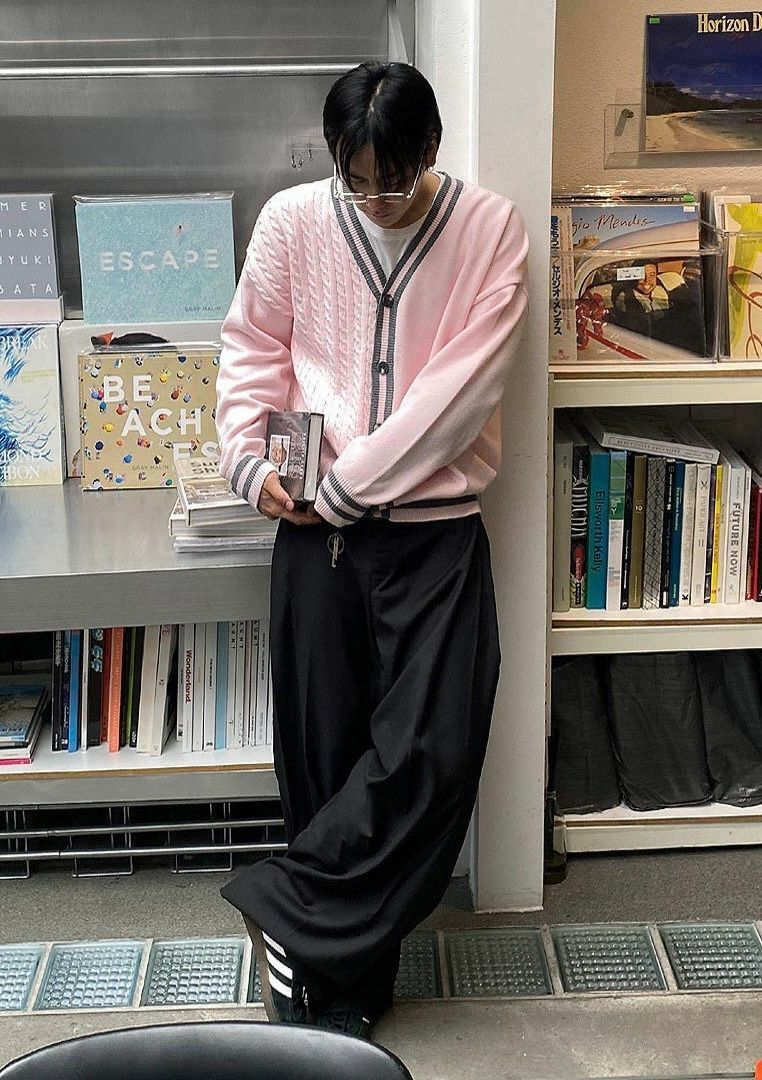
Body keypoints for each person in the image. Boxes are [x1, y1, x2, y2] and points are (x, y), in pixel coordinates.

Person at [214, 60, 528, 1039]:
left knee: (431, 756)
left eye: (393, 181)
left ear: (430, 151)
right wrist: (247, 462)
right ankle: (336, 990)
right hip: (313, 540)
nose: (377, 200)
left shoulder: (490, 229)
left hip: (433, 535)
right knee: (323, 758)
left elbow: (459, 392)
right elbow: (253, 350)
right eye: (357, 182)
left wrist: (352, 485)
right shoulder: (291, 221)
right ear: (335, 161)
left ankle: (283, 907)